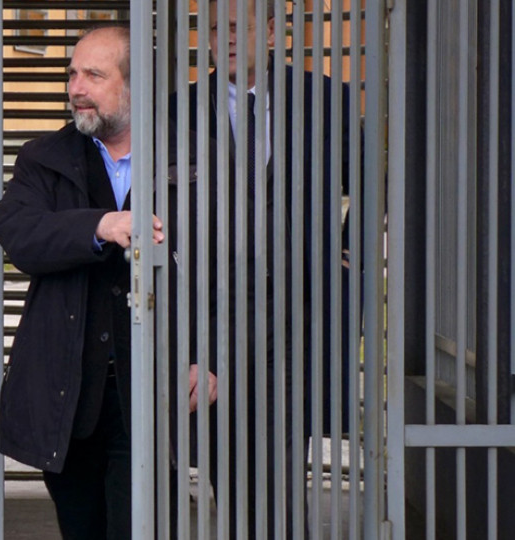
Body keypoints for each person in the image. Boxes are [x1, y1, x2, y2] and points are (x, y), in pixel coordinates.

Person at [0, 25, 213, 539]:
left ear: (135, 86)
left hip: (154, 389)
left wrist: (211, 354)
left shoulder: (195, 158)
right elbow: (17, 232)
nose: (76, 88)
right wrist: (100, 225)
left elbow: (229, 266)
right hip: (66, 393)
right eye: (72, 74)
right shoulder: (43, 157)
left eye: (93, 75)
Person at [167, 0, 360, 536]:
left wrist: (348, 251)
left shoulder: (326, 99)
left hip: (295, 313)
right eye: (214, 29)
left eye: (238, 27)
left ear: (272, 32)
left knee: (282, 465)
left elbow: (369, 181)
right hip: (212, 315)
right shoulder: (178, 110)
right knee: (226, 463)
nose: (225, 38)